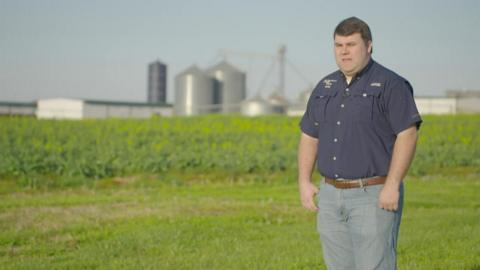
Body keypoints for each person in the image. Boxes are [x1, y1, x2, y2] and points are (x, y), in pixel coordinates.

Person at [298, 17, 422, 270]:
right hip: (330, 196)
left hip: (372, 195)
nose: (344, 51)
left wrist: (392, 185)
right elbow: (309, 135)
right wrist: (304, 181)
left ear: (369, 46)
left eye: (351, 44)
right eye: (338, 45)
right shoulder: (325, 86)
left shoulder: (391, 85)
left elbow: (407, 135)